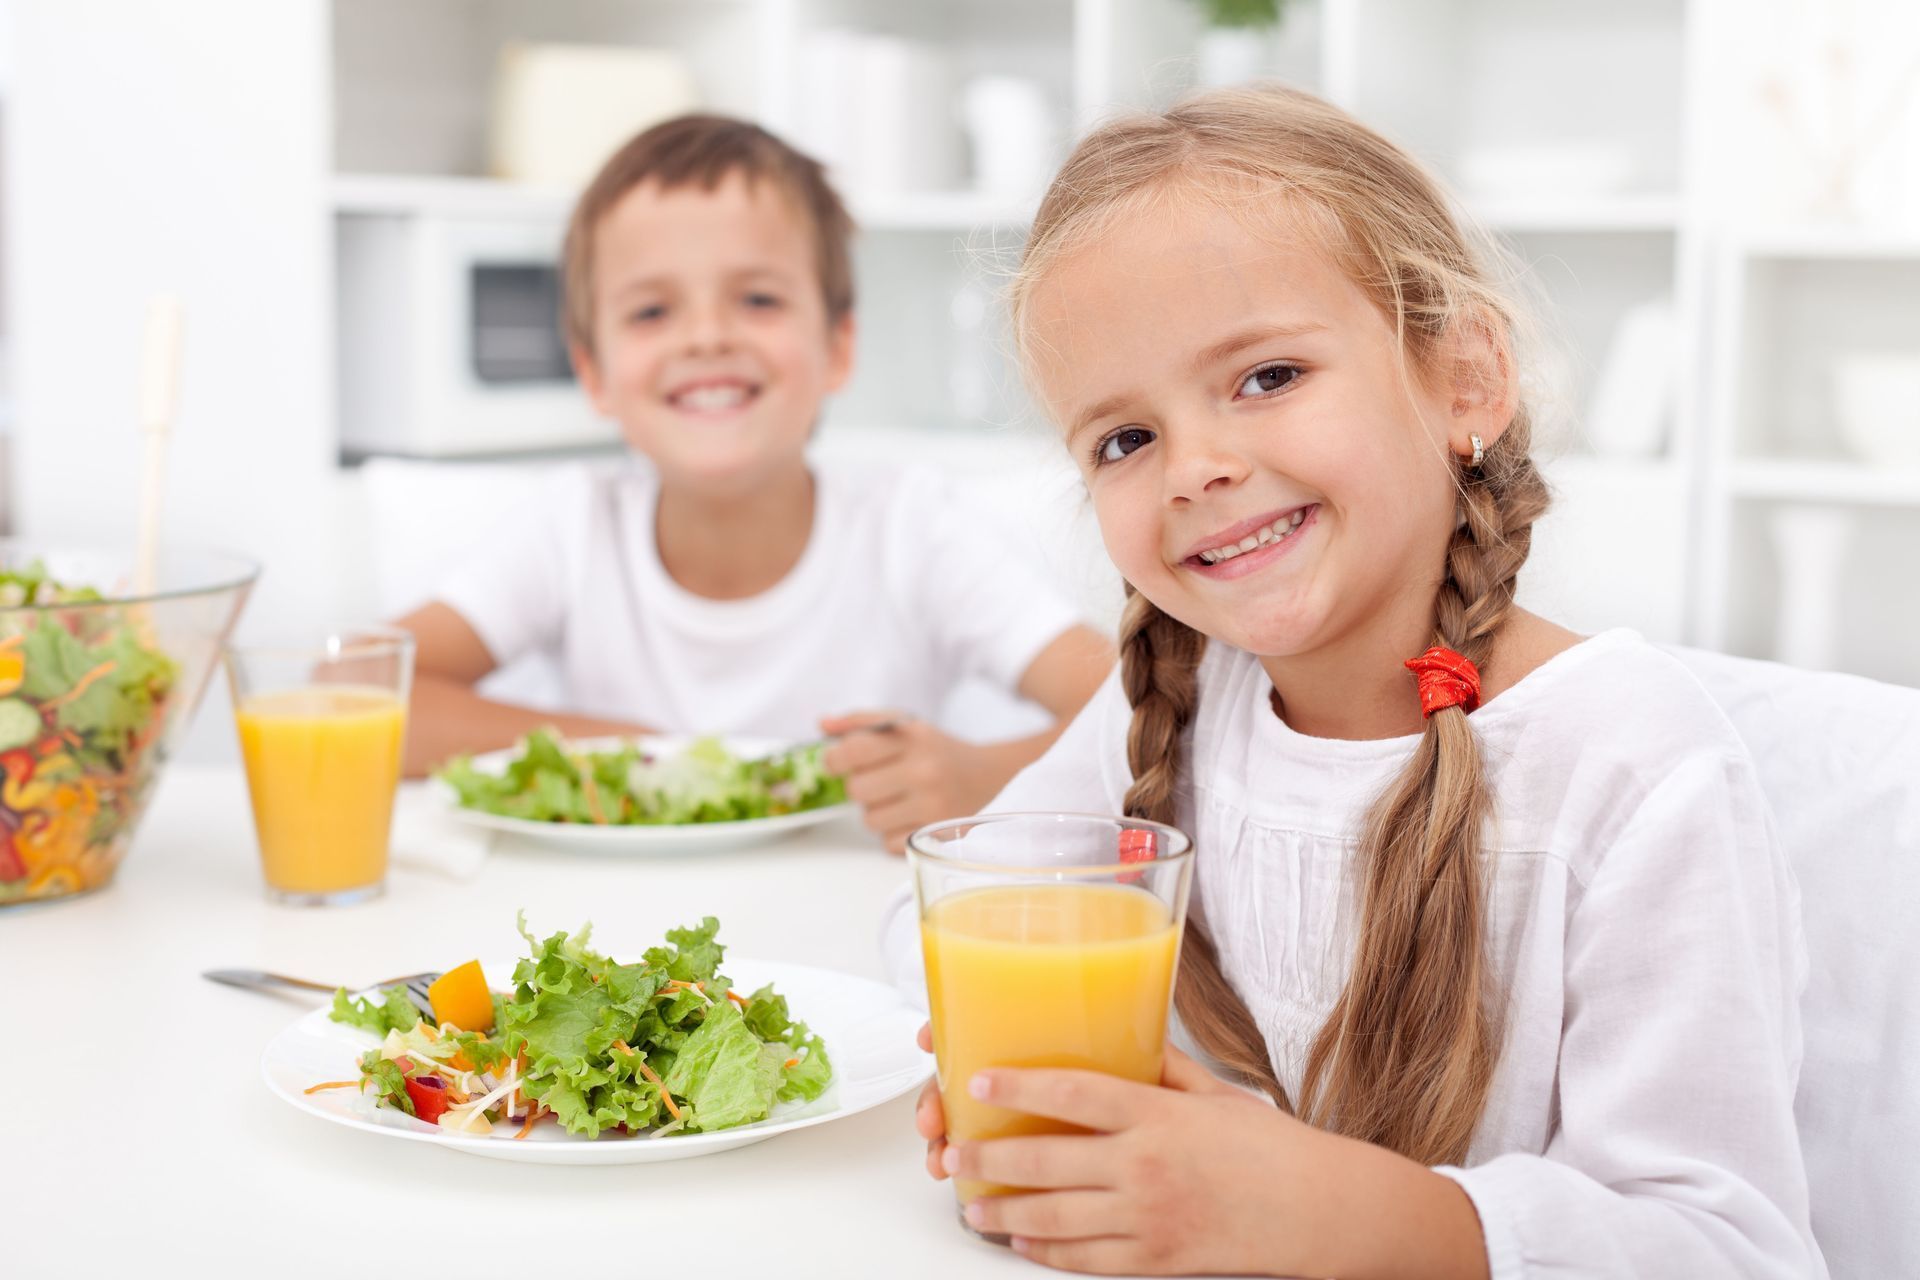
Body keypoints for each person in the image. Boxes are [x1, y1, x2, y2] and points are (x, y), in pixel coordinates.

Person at [887, 87, 1824, 1278]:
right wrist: (1004, 1070)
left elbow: (1724, 1249)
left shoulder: (1630, 762)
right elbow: (959, 911)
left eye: (1268, 375)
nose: (1198, 468)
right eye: (1124, 440)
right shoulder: (1179, 699)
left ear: (1465, 379)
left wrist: (1301, 1205)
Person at [397, 115, 1113, 851]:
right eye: (651, 311)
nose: (707, 336)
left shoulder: (911, 527)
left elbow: (1133, 712)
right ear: (593, 373)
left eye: (758, 300)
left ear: (837, 346)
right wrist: (626, 750)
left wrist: (982, 778)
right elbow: (366, 694)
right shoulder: (573, 526)